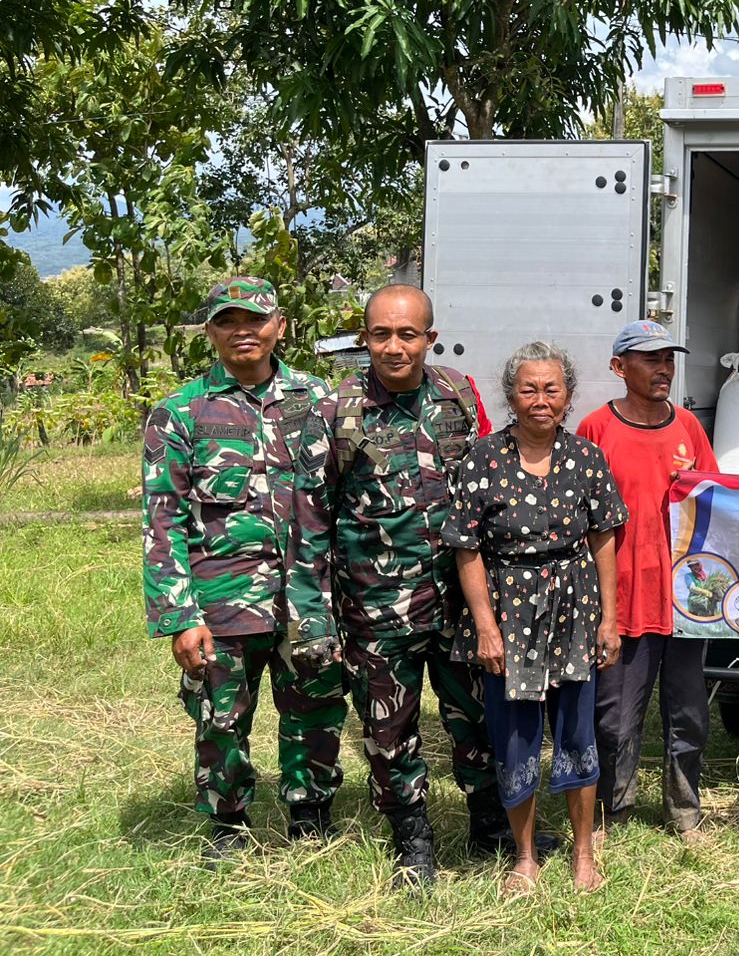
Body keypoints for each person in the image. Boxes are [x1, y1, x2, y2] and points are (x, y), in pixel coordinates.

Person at [289, 284, 511, 888]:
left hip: (459, 601)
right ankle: (411, 839)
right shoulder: (336, 410)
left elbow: (487, 490)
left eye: (407, 334)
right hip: (375, 609)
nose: (394, 346)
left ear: (429, 339)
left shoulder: (458, 394)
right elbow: (311, 520)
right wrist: (314, 614)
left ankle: (489, 824)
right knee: (389, 729)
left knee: (479, 717)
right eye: (381, 334)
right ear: (364, 339)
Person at [142, 277, 346, 862]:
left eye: (255, 320)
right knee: (220, 718)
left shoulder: (319, 400)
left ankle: (309, 812)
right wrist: (180, 617)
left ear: (279, 325)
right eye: (228, 321)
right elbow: (163, 522)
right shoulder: (180, 412)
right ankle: (229, 823)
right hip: (222, 600)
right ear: (210, 332)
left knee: (316, 707)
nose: (243, 332)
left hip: (310, 597)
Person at [444, 340, 626, 894]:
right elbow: (466, 548)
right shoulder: (484, 458)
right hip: (508, 609)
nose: (540, 399)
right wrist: (485, 626)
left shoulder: (586, 458)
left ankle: (584, 853)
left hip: (574, 609)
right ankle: (524, 856)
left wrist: (609, 619)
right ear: (511, 396)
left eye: (551, 388)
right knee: (515, 736)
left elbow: (603, 540)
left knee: (577, 731)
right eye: (528, 388)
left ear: (568, 397)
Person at [576, 320, 719, 842]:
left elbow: (714, 505)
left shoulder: (688, 429)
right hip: (623, 600)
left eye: (668, 360)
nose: (663, 370)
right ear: (619, 368)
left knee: (688, 714)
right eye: (650, 359)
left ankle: (685, 810)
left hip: (683, 600)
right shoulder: (596, 430)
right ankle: (613, 811)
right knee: (614, 716)